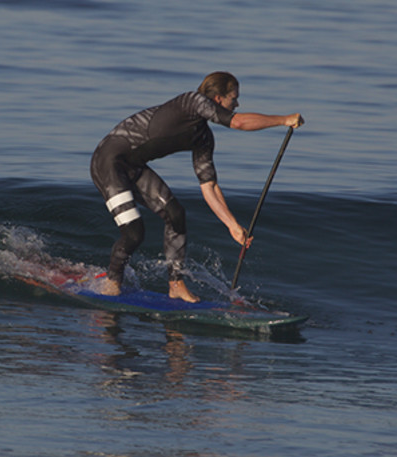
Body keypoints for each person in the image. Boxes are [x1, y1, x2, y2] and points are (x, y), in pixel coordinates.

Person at [90, 71, 304, 303]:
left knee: (176, 214)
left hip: (133, 166)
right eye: (234, 97)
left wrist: (232, 225)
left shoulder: (203, 138)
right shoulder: (191, 102)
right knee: (134, 232)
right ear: (218, 99)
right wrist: (283, 120)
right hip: (108, 161)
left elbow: (209, 186)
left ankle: (176, 285)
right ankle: (112, 284)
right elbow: (239, 122)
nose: (237, 103)